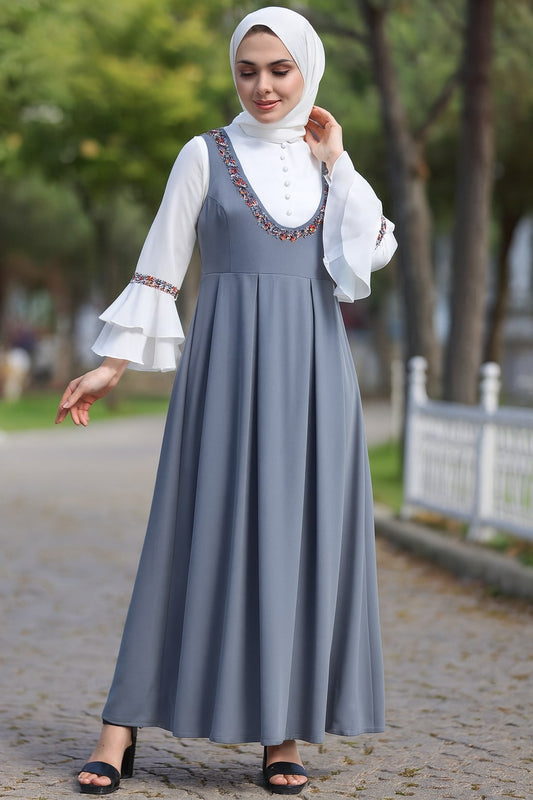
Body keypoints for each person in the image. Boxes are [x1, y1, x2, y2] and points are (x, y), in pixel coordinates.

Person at [56, 6, 397, 795]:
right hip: (224, 375)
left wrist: (336, 162)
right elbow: (159, 267)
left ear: (307, 70)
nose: (263, 86)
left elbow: (369, 250)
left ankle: (283, 735)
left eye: (279, 69)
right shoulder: (202, 154)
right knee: (185, 534)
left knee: (300, 544)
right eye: (248, 70)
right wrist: (109, 366)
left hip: (316, 379)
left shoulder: (326, 167)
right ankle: (119, 728)